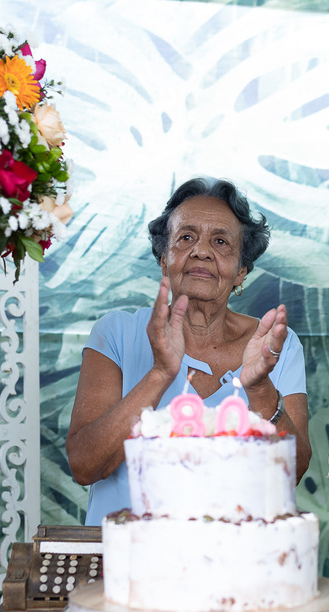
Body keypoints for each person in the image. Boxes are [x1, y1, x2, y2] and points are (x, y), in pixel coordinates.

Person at [67, 178, 311, 524]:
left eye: (221, 242)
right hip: (124, 551)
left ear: (241, 271)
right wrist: (159, 374)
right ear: (163, 259)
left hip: (235, 551)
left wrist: (260, 389)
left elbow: (293, 471)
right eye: (185, 238)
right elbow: (85, 465)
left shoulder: (275, 345)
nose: (201, 251)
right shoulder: (116, 333)